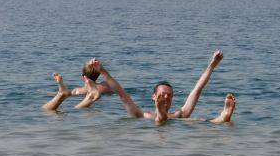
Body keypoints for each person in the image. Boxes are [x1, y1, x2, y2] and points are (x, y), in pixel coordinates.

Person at [88, 51, 234, 125]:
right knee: (186, 122)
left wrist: (212, 65)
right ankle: (160, 115)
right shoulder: (140, 114)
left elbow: (197, 89)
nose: (166, 97)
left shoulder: (180, 114)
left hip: (173, 124)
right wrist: (103, 71)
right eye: (162, 95)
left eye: (169, 95)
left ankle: (223, 117)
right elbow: (120, 92)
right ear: (154, 97)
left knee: (199, 121)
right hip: (160, 124)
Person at [42, 60, 115, 111]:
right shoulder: (105, 86)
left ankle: (60, 93)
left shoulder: (76, 91)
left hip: (78, 94)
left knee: (46, 110)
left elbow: (70, 93)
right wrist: (102, 70)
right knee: (77, 108)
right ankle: (88, 97)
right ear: (99, 74)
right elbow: (112, 81)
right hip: (98, 93)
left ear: (83, 76)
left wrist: (46, 92)